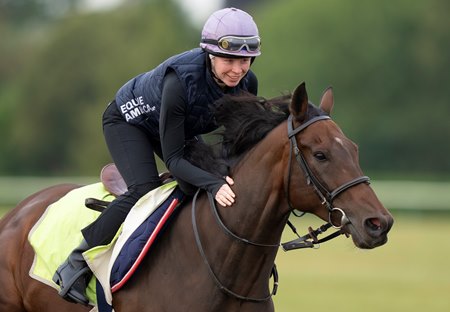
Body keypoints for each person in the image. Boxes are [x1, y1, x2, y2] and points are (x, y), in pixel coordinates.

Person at [52, 7, 262, 305]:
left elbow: (236, 143)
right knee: (144, 187)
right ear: (210, 55)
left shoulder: (247, 83)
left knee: (195, 184)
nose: (237, 70)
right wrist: (214, 184)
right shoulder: (179, 84)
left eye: (244, 61)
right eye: (229, 60)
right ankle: (76, 259)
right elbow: (175, 161)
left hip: (175, 125)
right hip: (128, 121)